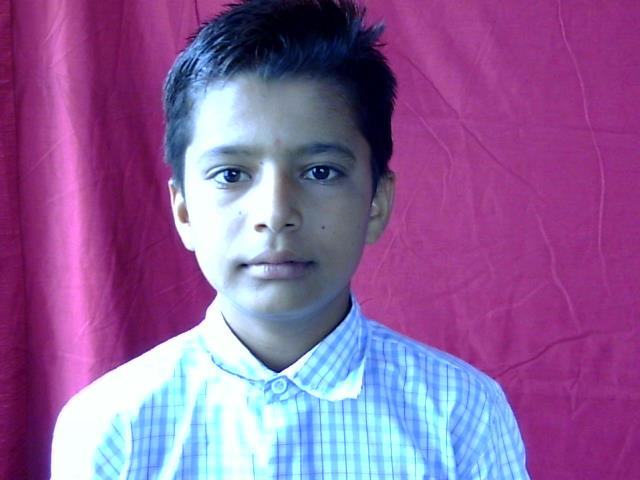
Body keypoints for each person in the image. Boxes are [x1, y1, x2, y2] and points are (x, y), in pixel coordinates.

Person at [51, 0, 530, 478]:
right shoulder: (112, 427)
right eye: (231, 174)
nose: (276, 214)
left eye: (320, 171)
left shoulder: (461, 415)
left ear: (376, 203)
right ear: (184, 210)